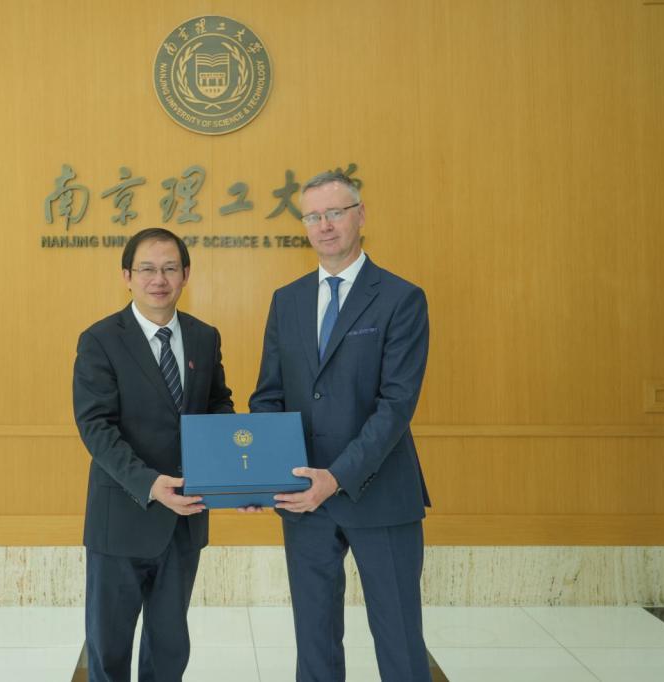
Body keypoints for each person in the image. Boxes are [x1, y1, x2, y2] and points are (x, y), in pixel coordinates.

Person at [249, 171, 432, 681]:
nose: (324, 225)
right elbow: (268, 396)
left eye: (335, 212)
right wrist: (265, 475)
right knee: (314, 640)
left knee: (398, 638)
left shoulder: (401, 298)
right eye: (313, 216)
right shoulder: (287, 300)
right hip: (303, 498)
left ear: (360, 215)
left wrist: (336, 477)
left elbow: (396, 405)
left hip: (379, 493)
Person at [73, 227, 234, 682]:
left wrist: (235, 472)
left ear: (186, 274)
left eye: (169, 268)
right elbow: (96, 426)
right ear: (127, 276)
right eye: (146, 269)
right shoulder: (100, 339)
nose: (158, 279)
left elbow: (218, 404)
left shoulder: (204, 337)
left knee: (169, 646)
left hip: (185, 516)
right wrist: (148, 484)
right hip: (122, 516)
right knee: (109, 645)